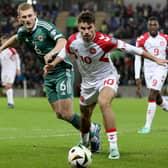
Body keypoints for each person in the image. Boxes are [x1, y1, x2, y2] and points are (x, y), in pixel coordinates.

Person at [44, 11, 168, 159]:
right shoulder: (73, 41)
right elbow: (64, 51)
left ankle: (114, 147)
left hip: (107, 77)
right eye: (83, 28)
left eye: (89, 28)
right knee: (85, 115)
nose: (86, 32)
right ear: (78, 28)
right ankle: (84, 142)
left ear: (94, 26)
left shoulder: (106, 40)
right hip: (88, 83)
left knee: (104, 103)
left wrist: (156, 59)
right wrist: (53, 63)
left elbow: (133, 49)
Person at [0, 3, 101, 153]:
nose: (28, 19)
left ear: (35, 15)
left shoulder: (45, 27)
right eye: (24, 17)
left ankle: (92, 130)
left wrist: (51, 53)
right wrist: (2, 48)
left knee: (67, 112)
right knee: (60, 114)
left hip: (62, 70)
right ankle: (91, 128)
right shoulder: (23, 32)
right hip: (49, 75)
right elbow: (16, 38)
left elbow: (63, 41)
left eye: (30, 16)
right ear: (19, 18)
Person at [134, 16, 168, 134]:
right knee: (157, 98)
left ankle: (147, 126)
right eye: (150, 25)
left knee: (152, 94)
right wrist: (137, 76)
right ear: (147, 26)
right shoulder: (141, 40)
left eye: (155, 24)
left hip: (161, 68)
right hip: (148, 71)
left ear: (158, 26)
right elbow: (137, 58)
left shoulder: (165, 39)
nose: (153, 27)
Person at [0, 35, 21, 108]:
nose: (3, 42)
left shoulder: (12, 49)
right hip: (4, 71)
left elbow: (17, 59)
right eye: (2, 41)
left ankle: (11, 103)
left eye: (5, 40)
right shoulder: (1, 50)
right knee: (6, 87)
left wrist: (18, 69)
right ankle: (9, 102)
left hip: (11, 70)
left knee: (9, 86)